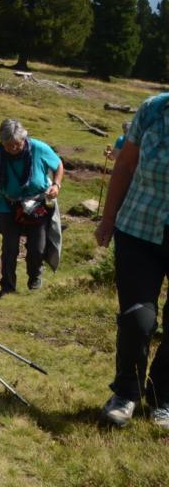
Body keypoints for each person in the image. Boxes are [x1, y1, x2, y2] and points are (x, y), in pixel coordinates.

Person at [95, 92, 169, 429]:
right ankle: (126, 392)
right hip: (138, 229)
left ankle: (162, 396)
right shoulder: (154, 110)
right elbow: (125, 165)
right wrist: (108, 219)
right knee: (137, 319)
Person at [0, 119, 64, 294]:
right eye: (8, 145)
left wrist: (56, 185)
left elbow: (58, 165)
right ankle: (7, 287)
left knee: (37, 248)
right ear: (1, 142)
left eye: (16, 144)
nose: (12, 148)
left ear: (24, 139)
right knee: (9, 248)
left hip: (37, 206)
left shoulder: (39, 148)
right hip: (8, 206)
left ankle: (34, 281)